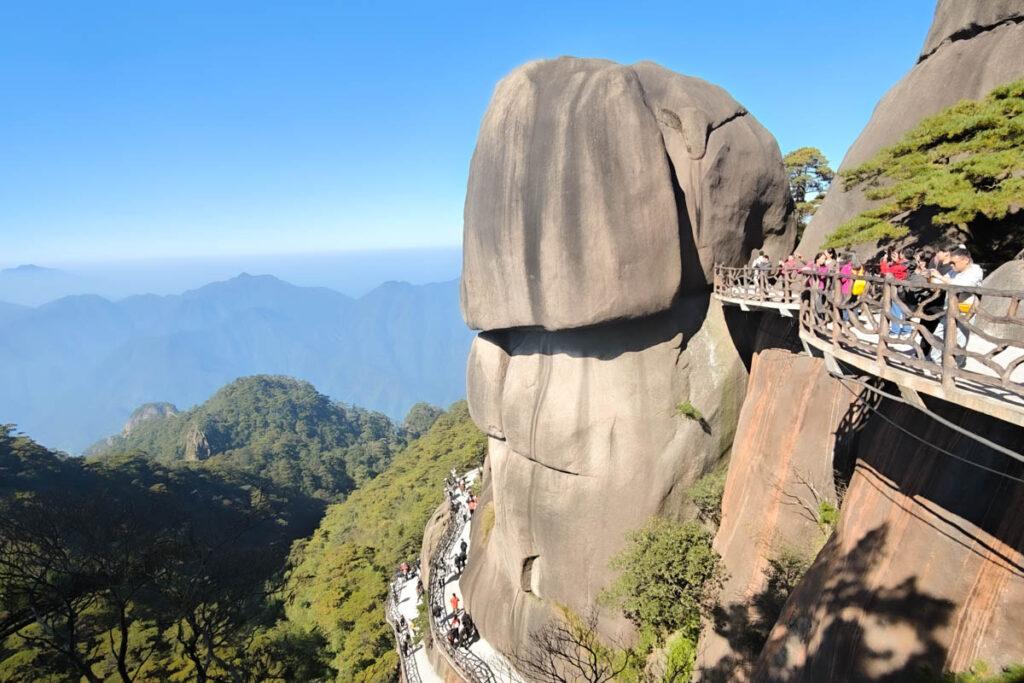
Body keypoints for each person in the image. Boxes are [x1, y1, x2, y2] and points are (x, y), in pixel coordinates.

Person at [928, 248, 984, 367]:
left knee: (960, 339)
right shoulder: (953, 272)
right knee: (939, 334)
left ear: (966, 260)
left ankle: (956, 365)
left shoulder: (976, 271)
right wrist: (931, 276)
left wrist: (941, 278)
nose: (951, 265)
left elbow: (963, 286)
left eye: (954, 262)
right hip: (949, 309)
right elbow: (937, 282)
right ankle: (936, 363)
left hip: (966, 310)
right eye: (951, 263)